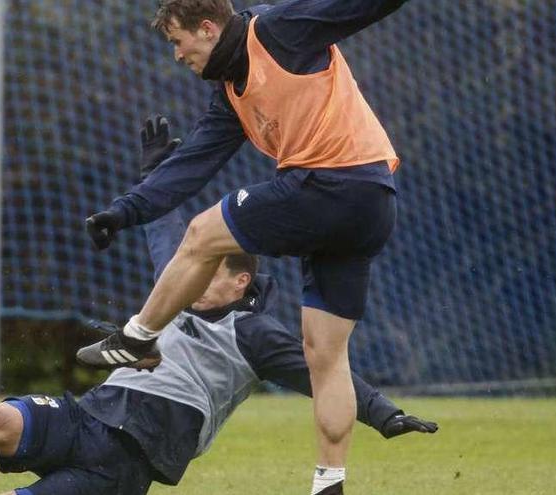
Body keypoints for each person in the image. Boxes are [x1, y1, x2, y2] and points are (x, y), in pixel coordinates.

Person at [0, 121, 436, 495]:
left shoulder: (254, 333)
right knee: (0, 420)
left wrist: (383, 413)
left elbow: (325, 371)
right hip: (88, 415)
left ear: (239, 282)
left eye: (210, 270)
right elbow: (168, 235)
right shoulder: (176, 290)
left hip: (125, 465)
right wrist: (157, 174)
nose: (194, 272)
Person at [78, 2, 410, 493]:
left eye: (177, 40)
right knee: (324, 354)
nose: (176, 55)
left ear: (207, 28)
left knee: (199, 235)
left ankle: (137, 337)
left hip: (331, 184)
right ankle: (330, 480)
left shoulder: (278, 31)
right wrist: (125, 210)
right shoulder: (230, 91)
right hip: (373, 205)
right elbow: (192, 162)